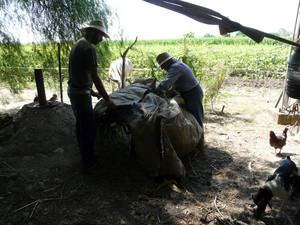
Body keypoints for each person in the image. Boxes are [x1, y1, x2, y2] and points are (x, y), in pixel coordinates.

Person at [68, 20, 115, 174]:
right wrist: (107, 99)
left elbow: (81, 73)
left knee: (81, 125)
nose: (101, 40)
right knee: (88, 127)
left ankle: (86, 155)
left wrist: (93, 92)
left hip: (76, 91)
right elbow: (95, 76)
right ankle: (88, 163)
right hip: (80, 94)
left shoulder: (78, 44)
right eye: (101, 36)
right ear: (94, 33)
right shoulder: (88, 49)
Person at [156, 52, 204, 137]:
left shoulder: (176, 67)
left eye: (163, 65)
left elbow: (167, 83)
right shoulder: (176, 66)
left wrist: (156, 89)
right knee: (190, 116)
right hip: (186, 92)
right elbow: (172, 84)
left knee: (196, 117)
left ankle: (200, 140)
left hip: (193, 93)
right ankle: (193, 137)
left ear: (168, 62)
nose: (163, 68)